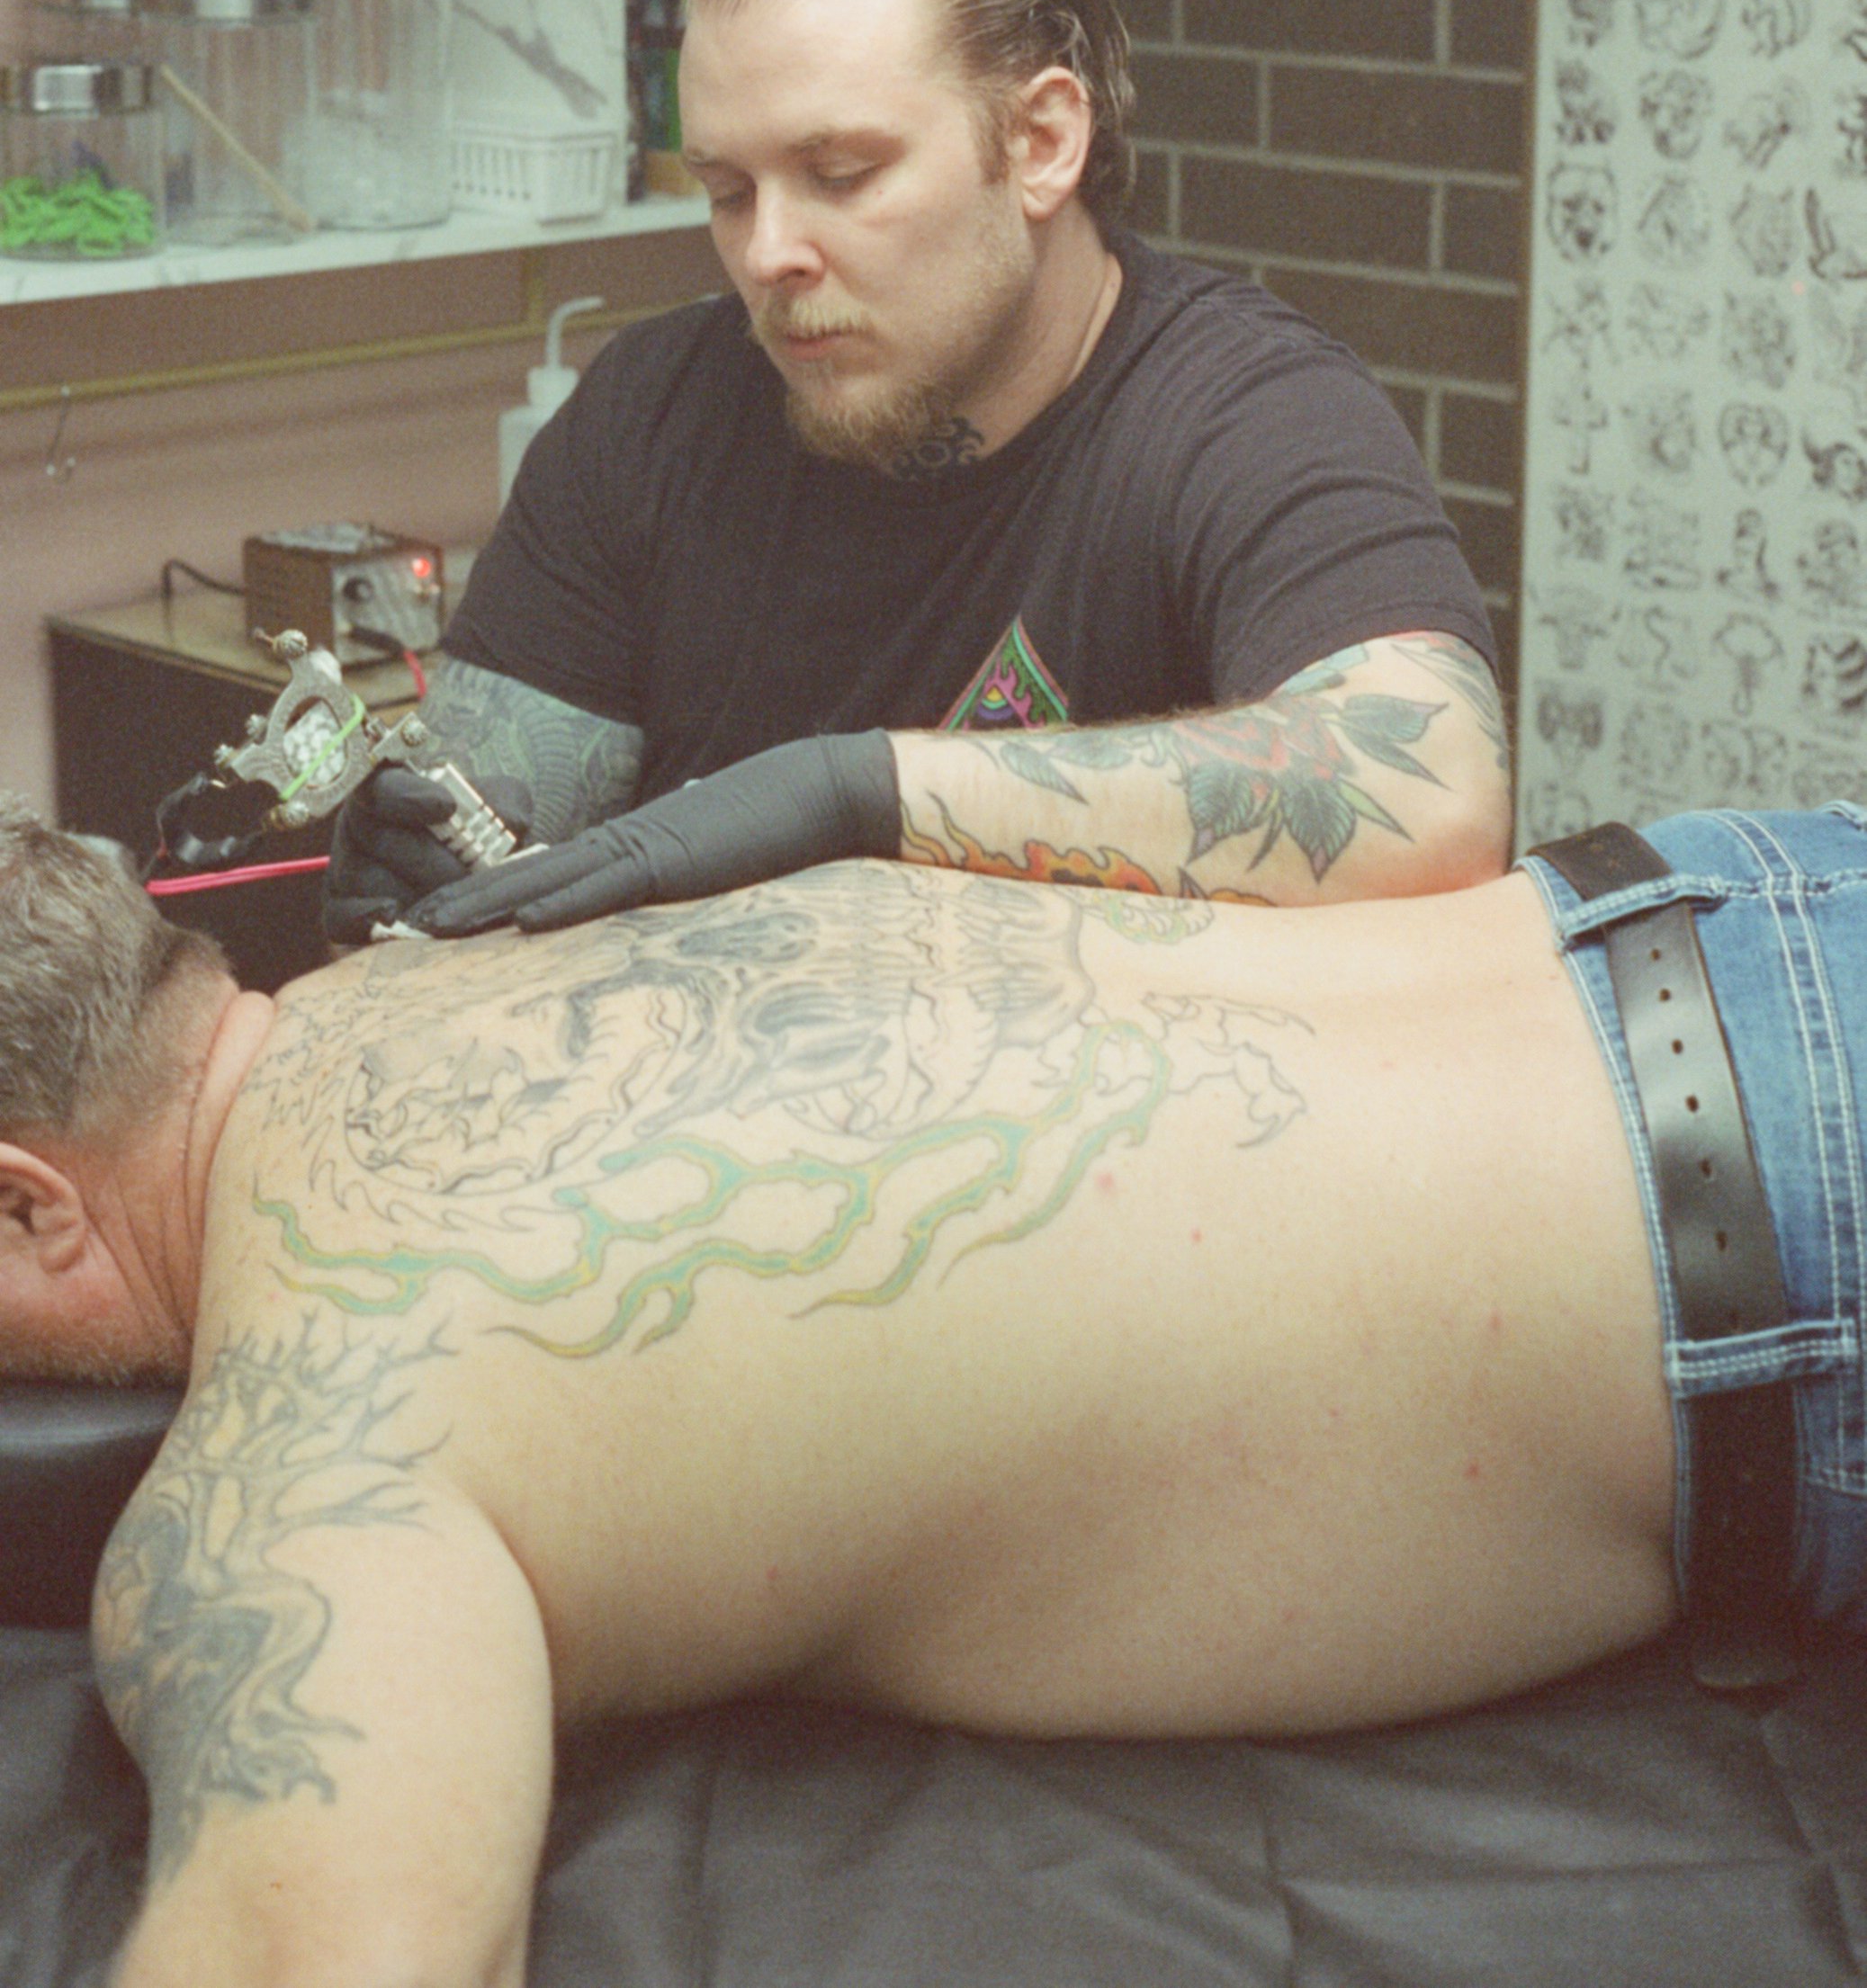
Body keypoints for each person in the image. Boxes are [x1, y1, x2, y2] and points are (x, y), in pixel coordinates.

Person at [3, 792, 1863, 1988]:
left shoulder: (300, 1454)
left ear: (26, 1199)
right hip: (1750, 886)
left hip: (1794, 1233)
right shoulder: (489, 947)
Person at [329, 0, 1509, 950]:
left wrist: (860, 796)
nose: (770, 252)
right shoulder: (651, 418)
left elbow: (1439, 795)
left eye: (840, 174)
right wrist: (430, 862)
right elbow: (485, 835)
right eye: (730, 190)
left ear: (1041, 140)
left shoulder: (1241, 414)